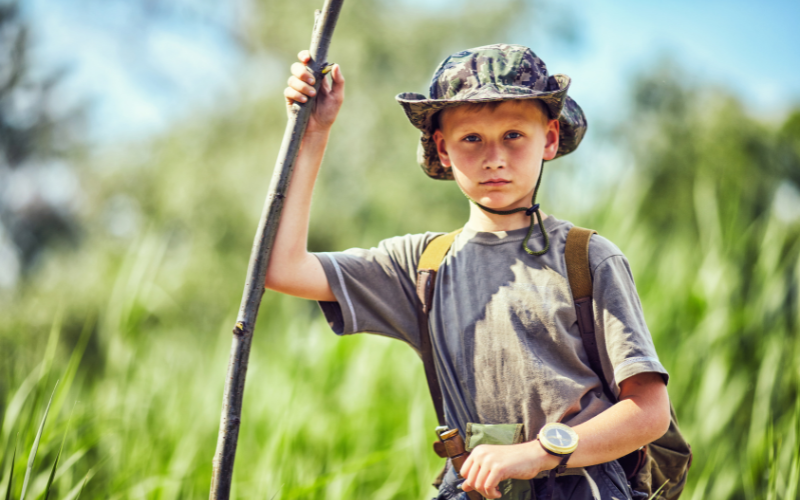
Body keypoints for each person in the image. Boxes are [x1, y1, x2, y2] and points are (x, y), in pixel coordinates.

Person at [266, 44, 671, 500]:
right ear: (442, 148)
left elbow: (649, 412)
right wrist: (312, 132)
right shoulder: (421, 266)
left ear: (550, 139)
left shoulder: (587, 257)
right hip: (474, 491)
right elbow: (282, 267)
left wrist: (539, 453)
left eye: (515, 135)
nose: (494, 157)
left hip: (582, 488)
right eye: (471, 139)